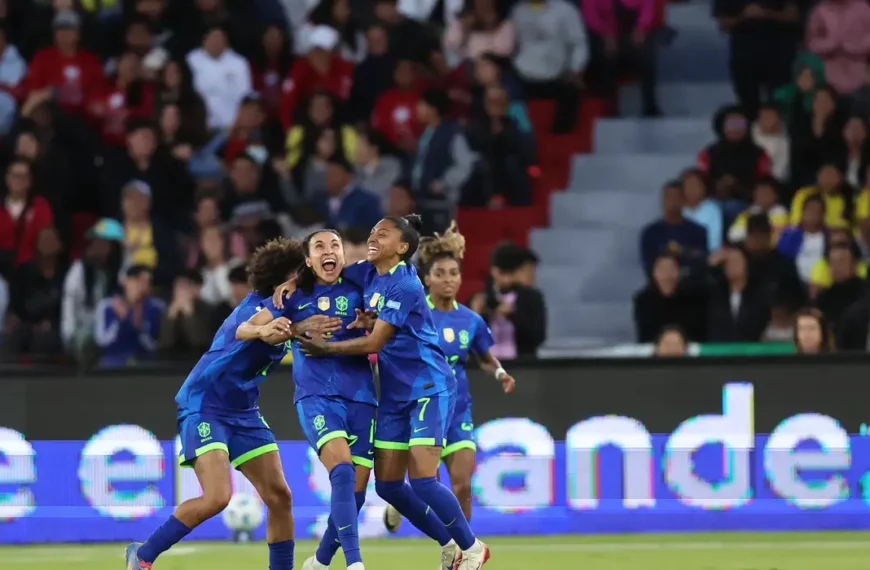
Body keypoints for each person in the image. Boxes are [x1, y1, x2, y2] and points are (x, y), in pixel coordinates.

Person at [282, 215, 491, 570]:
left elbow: (376, 342)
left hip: (428, 384)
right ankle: (447, 545)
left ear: (403, 248)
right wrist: (289, 281)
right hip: (393, 392)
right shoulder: (366, 272)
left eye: (383, 234)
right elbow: (324, 272)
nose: (372, 236)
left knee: (424, 481)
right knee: (389, 487)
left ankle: (471, 546)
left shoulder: (405, 284)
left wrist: (327, 348)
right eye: (372, 230)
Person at [124, 239, 308, 570]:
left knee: (280, 497)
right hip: (205, 404)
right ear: (284, 277)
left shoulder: (296, 307)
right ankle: (143, 555)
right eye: (300, 272)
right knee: (217, 497)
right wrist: (265, 330)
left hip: (244, 412)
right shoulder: (257, 307)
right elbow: (245, 329)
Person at [238, 229, 377, 570]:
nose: (328, 252)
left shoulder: (361, 287)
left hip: (362, 396)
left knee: (355, 494)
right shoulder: (293, 296)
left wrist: (370, 322)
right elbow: (244, 328)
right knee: (342, 471)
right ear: (309, 260)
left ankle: (319, 562)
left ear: (343, 255)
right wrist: (280, 329)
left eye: (335, 246)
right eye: (319, 247)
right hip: (317, 396)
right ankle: (355, 564)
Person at [405, 222, 516, 521]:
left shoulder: (471, 320)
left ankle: (463, 555)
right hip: (423, 410)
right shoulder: (413, 315)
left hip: (458, 411)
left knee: (462, 485)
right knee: (427, 486)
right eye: (439, 274)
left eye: (453, 273)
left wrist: (500, 373)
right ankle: (399, 499)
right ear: (426, 279)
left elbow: (484, 357)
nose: (448, 280)